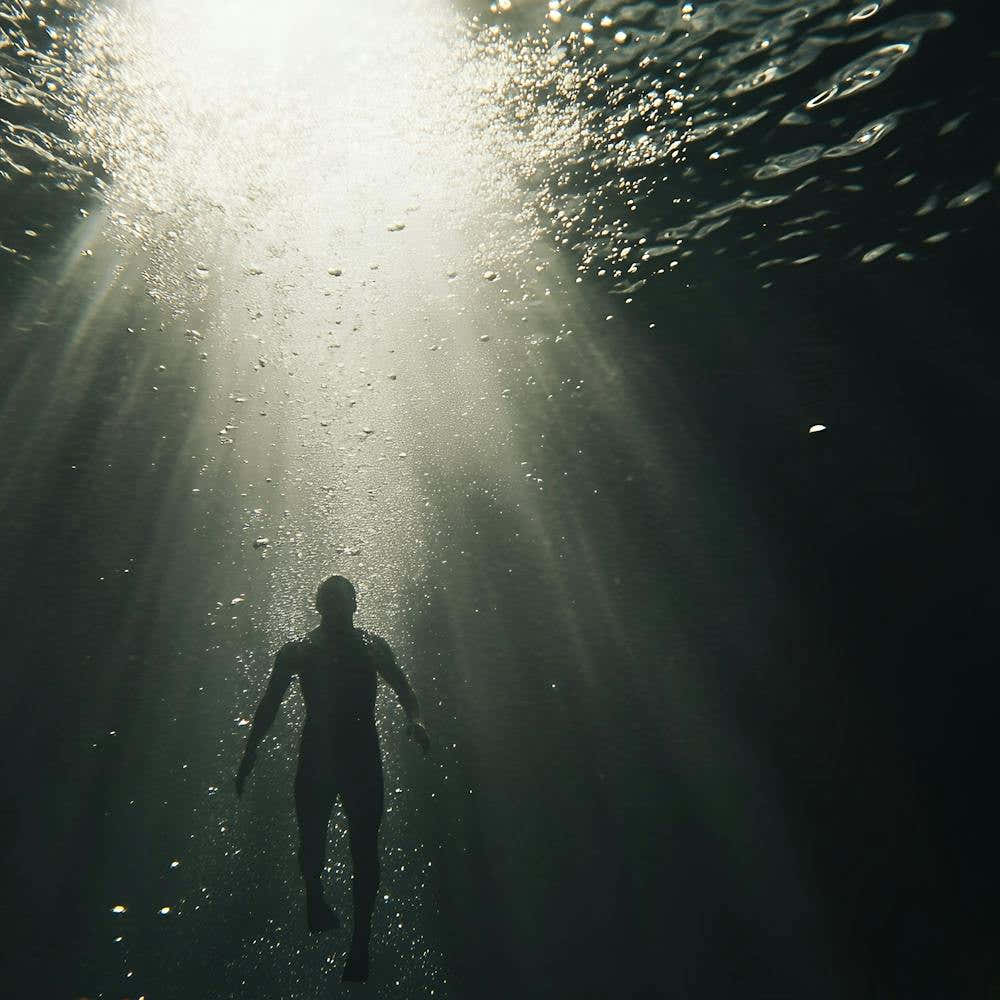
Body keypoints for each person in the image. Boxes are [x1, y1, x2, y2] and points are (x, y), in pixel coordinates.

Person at [235, 575, 429, 982]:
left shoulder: (373, 648)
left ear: (355, 605)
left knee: (363, 850)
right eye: (331, 602)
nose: (338, 609)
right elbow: (268, 704)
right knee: (312, 838)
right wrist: (250, 749)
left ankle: (360, 943)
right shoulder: (299, 652)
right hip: (320, 758)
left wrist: (415, 722)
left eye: (343, 602)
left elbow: (405, 691)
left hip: (359, 758)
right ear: (319, 606)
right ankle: (315, 896)